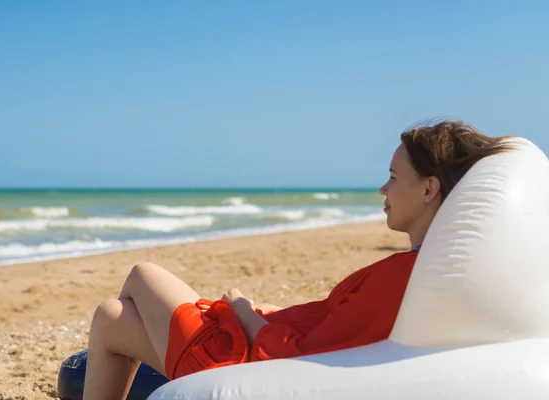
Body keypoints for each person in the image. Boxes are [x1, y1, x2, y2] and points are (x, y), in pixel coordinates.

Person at [82, 119, 514, 399]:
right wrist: (268, 313)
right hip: (263, 345)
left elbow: (302, 352)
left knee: (143, 272)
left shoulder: (405, 277)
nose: (383, 190)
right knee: (111, 316)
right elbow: (334, 330)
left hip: (241, 361)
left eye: (393, 177)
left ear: (428, 189)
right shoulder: (423, 271)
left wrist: (243, 310)